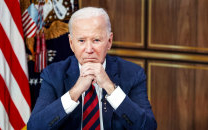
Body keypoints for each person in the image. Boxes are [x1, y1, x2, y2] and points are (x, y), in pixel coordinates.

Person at [27, 7, 157, 130]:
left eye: (96, 40)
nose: (89, 50)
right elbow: (35, 127)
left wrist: (110, 87)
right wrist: (75, 92)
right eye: (81, 41)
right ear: (71, 43)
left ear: (109, 41)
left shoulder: (133, 73)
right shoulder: (53, 74)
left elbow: (148, 127)